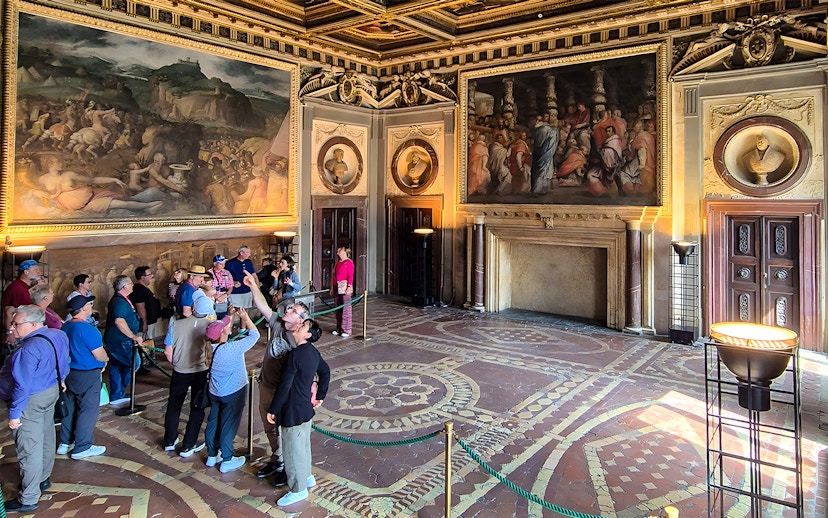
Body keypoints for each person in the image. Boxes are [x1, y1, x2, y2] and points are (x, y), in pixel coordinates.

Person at [242, 270, 309, 485]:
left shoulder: (299, 340)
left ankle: (289, 466)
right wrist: (253, 285)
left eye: (293, 310)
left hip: (283, 392)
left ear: (300, 321)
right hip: (266, 385)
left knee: (286, 429)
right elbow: (263, 306)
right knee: (270, 427)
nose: (288, 309)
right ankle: (277, 458)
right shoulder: (278, 324)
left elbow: (309, 367)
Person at [0, 305, 69, 512]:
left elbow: (23, 385)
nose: (12, 327)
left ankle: (28, 498)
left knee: (29, 447)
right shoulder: (57, 335)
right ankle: (43, 479)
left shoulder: (27, 350)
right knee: (47, 435)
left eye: (16, 323)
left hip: (30, 399)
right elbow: (65, 360)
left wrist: (14, 415)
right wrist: (62, 380)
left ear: (33, 324)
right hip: (51, 391)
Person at [267, 318, 330, 507]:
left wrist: (273, 409)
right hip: (305, 407)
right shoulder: (312, 352)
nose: (299, 325)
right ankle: (307, 476)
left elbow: (285, 385)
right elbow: (325, 371)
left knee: (292, 450)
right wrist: (320, 395)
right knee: (303, 445)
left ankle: (298, 489)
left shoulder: (295, 355)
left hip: (292, 408)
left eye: (303, 326)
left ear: (307, 335)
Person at [203, 308, 260, 473]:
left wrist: (232, 314)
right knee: (229, 424)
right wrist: (246, 317)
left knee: (213, 421)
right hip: (232, 391)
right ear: (222, 333)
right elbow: (254, 335)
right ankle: (227, 459)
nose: (229, 327)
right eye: (226, 327)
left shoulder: (210, 347)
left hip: (215, 391)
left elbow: (228, 330)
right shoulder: (229, 350)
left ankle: (212, 455)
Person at [58, 294, 109, 460]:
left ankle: (65, 443)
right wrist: (106, 359)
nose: (91, 306)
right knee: (88, 410)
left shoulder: (65, 326)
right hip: (87, 374)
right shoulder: (89, 329)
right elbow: (99, 354)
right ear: (84, 309)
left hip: (69, 373)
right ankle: (82, 446)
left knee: (70, 408)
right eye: (89, 304)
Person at [162, 295, 214, 456]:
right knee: (197, 407)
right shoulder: (211, 326)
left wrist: (177, 364)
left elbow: (167, 351)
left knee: (174, 405)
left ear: (193, 308)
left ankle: (169, 441)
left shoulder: (175, 324)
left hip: (180, 371)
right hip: (200, 371)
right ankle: (188, 445)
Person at [102, 275, 144, 407]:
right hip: (121, 340)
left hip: (116, 340)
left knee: (116, 365)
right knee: (134, 363)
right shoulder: (119, 302)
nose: (132, 285)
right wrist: (133, 336)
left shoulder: (123, 300)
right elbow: (119, 321)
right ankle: (119, 389)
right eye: (130, 283)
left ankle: (117, 394)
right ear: (125, 287)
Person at [3, 260, 41, 345]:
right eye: (36, 269)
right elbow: (8, 311)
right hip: (18, 332)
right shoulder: (16, 288)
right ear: (26, 272)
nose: (39, 272)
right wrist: (10, 333)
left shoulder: (28, 287)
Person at [129, 266, 161, 340]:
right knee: (146, 343)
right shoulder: (139, 290)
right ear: (143, 278)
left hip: (150, 322)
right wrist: (144, 324)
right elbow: (140, 309)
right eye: (149, 275)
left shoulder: (143, 288)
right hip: (146, 324)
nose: (152, 276)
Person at [330, 246, 355, 338]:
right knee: (338, 307)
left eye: (339, 250)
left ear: (344, 252)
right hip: (337, 286)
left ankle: (346, 329)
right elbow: (333, 276)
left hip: (344, 287)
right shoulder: (337, 263)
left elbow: (350, 276)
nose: (337, 252)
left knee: (346, 308)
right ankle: (339, 328)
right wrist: (332, 288)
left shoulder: (349, 262)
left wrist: (349, 286)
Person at [225, 246, 255, 310]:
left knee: (245, 312)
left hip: (247, 291)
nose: (249, 254)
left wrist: (256, 287)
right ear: (241, 253)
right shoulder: (230, 263)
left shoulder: (248, 262)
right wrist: (233, 282)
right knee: (233, 311)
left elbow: (253, 275)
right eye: (247, 252)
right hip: (235, 292)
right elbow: (224, 278)